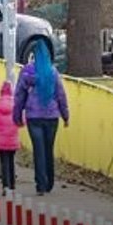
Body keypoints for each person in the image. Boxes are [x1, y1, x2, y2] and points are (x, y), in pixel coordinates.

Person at [12, 41, 68, 196]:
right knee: (48, 149)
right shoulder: (52, 72)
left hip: (33, 117)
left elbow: (19, 96)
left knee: (38, 150)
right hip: (51, 117)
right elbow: (61, 95)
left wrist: (16, 116)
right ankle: (49, 182)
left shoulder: (27, 72)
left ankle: (41, 184)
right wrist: (65, 116)